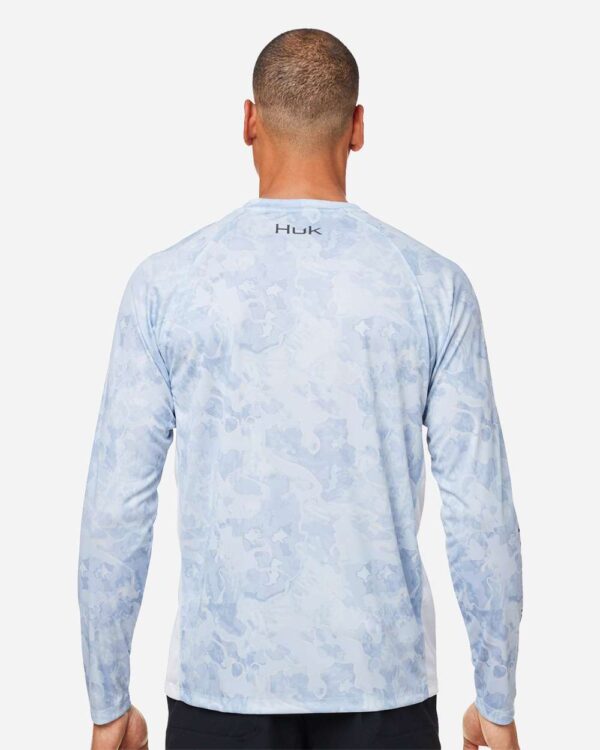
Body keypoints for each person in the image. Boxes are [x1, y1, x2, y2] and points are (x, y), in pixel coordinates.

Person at [78, 28, 523, 750]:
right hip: (387, 695)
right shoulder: (432, 286)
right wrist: (496, 705)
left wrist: (108, 706)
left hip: (219, 695)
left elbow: (115, 510)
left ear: (248, 121)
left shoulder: (168, 285)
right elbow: (482, 514)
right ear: (358, 128)